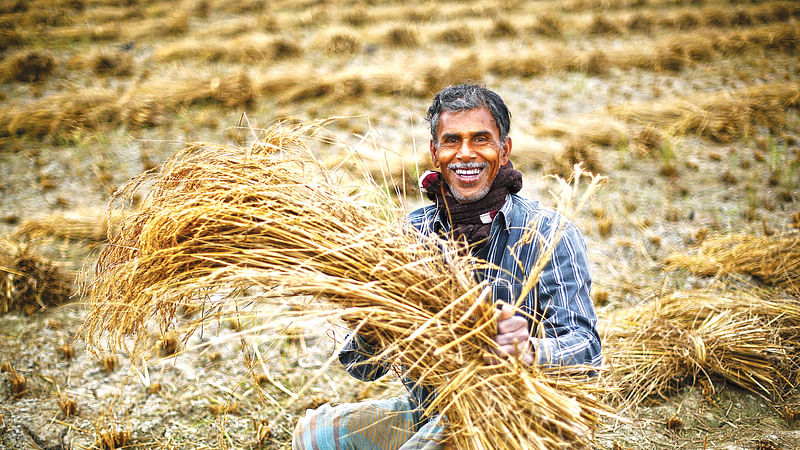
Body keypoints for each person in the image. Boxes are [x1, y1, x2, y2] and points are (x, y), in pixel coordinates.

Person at [292, 84, 601, 450]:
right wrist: (371, 321)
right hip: (433, 409)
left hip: (521, 417)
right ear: (435, 152)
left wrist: (530, 349)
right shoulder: (409, 236)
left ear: (504, 151)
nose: (466, 154)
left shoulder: (549, 233)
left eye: (481, 139)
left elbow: (588, 351)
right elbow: (364, 369)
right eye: (452, 140)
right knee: (314, 437)